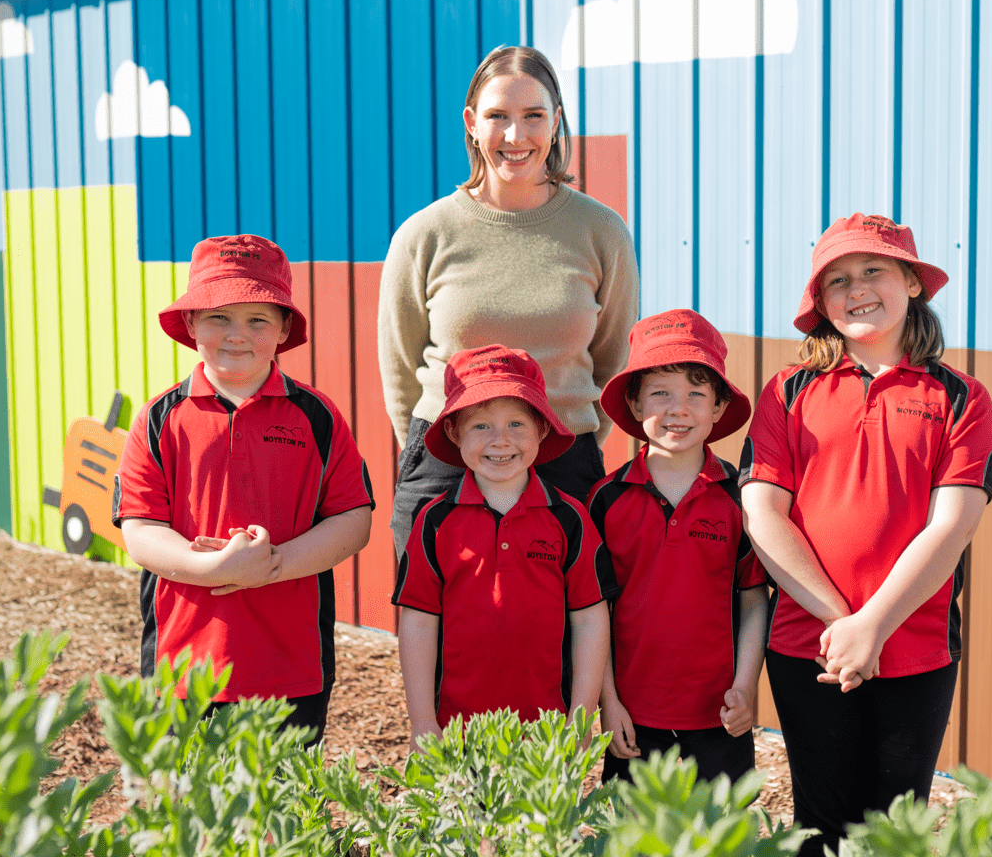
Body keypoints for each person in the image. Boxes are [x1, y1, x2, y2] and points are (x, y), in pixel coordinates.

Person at [740, 214, 992, 855]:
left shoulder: (962, 398)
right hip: (810, 647)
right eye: (836, 281)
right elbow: (763, 513)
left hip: (913, 647)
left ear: (911, 282)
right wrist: (842, 626)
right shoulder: (788, 391)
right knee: (819, 823)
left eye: (873, 271)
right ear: (821, 303)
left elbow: (953, 524)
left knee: (893, 830)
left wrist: (875, 625)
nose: (856, 289)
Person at [115, 234, 374, 745]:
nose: (238, 335)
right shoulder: (159, 419)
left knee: (282, 814)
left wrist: (271, 565)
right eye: (218, 317)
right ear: (190, 325)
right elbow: (141, 529)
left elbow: (353, 521)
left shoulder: (317, 418)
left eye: (258, 320)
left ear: (282, 329)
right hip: (184, 667)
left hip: (290, 667)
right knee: (187, 812)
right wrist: (213, 569)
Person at [378, 45, 638, 552]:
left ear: (556, 121)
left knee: (567, 625)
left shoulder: (601, 232)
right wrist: (440, 448)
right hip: (446, 464)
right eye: (498, 116)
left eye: (533, 116)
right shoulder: (425, 234)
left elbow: (612, 360)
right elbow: (401, 368)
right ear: (472, 123)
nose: (516, 136)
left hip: (563, 463)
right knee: (442, 628)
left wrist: (567, 442)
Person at [391, 345, 611, 748]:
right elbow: (419, 622)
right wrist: (421, 719)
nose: (500, 440)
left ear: (542, 429)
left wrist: (580, 720)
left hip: (548, 734)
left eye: (516, 424)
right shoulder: (434, 521)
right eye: (480, 426)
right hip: (455, 733)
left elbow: (590, 621)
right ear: (454, 432)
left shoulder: (570, 519)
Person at [588, 310, 768, 785]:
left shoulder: (740, 497)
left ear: (717, 406)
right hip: (633, 717)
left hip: (717, 717)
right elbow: (593, 611)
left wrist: (746, 688)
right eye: (660, 393)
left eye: (695, 393)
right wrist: (609, 702)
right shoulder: (604, 500)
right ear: (634, 402)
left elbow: (753, 602)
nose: (678, 409)